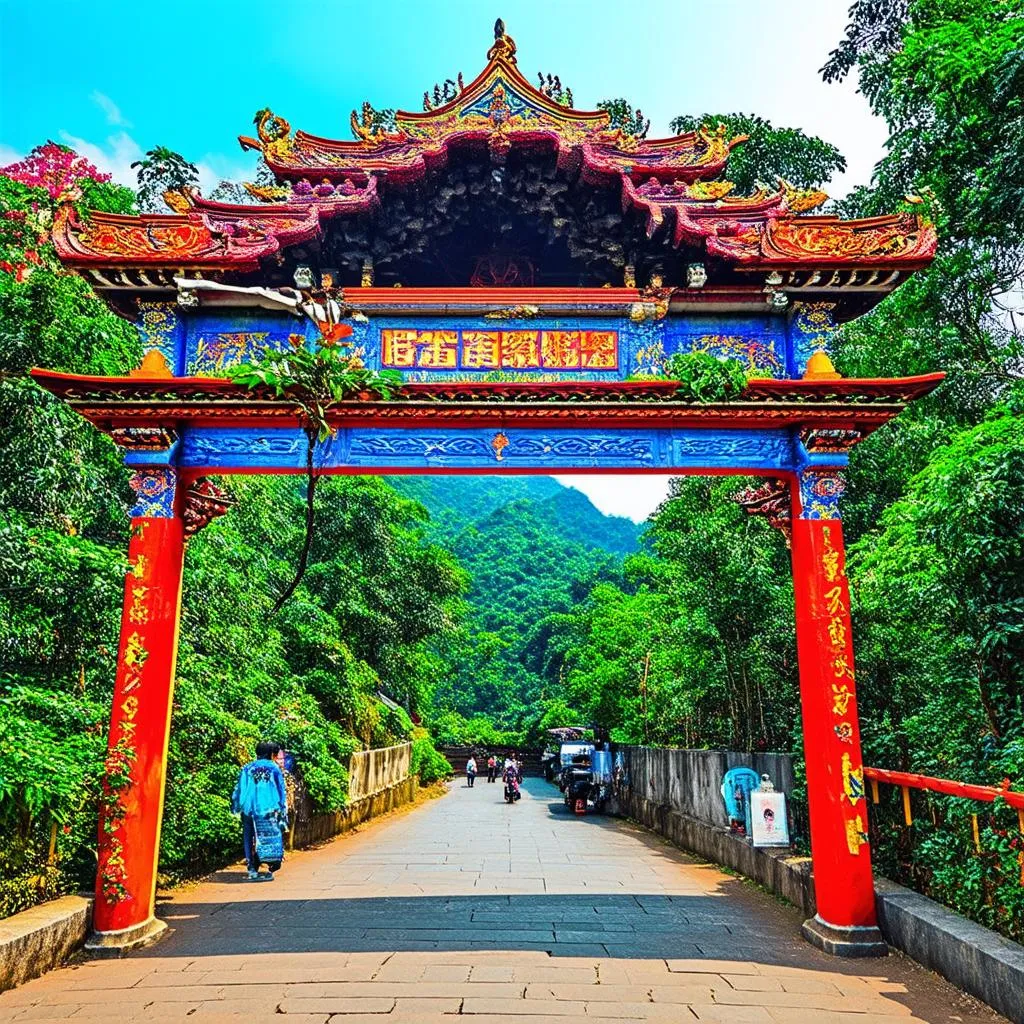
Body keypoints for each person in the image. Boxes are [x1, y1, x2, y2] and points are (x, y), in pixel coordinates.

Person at [231, 740, 288, 881]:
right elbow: (281, 790)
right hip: (268, 810)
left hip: (249, 809)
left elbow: (239, 789)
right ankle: (271, 866)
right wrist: (282, 807)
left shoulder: (247, 768)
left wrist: (236, 806)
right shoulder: (274, 769)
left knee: (248, 837)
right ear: (270, 754)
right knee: (270, 837)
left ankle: (252, 869)